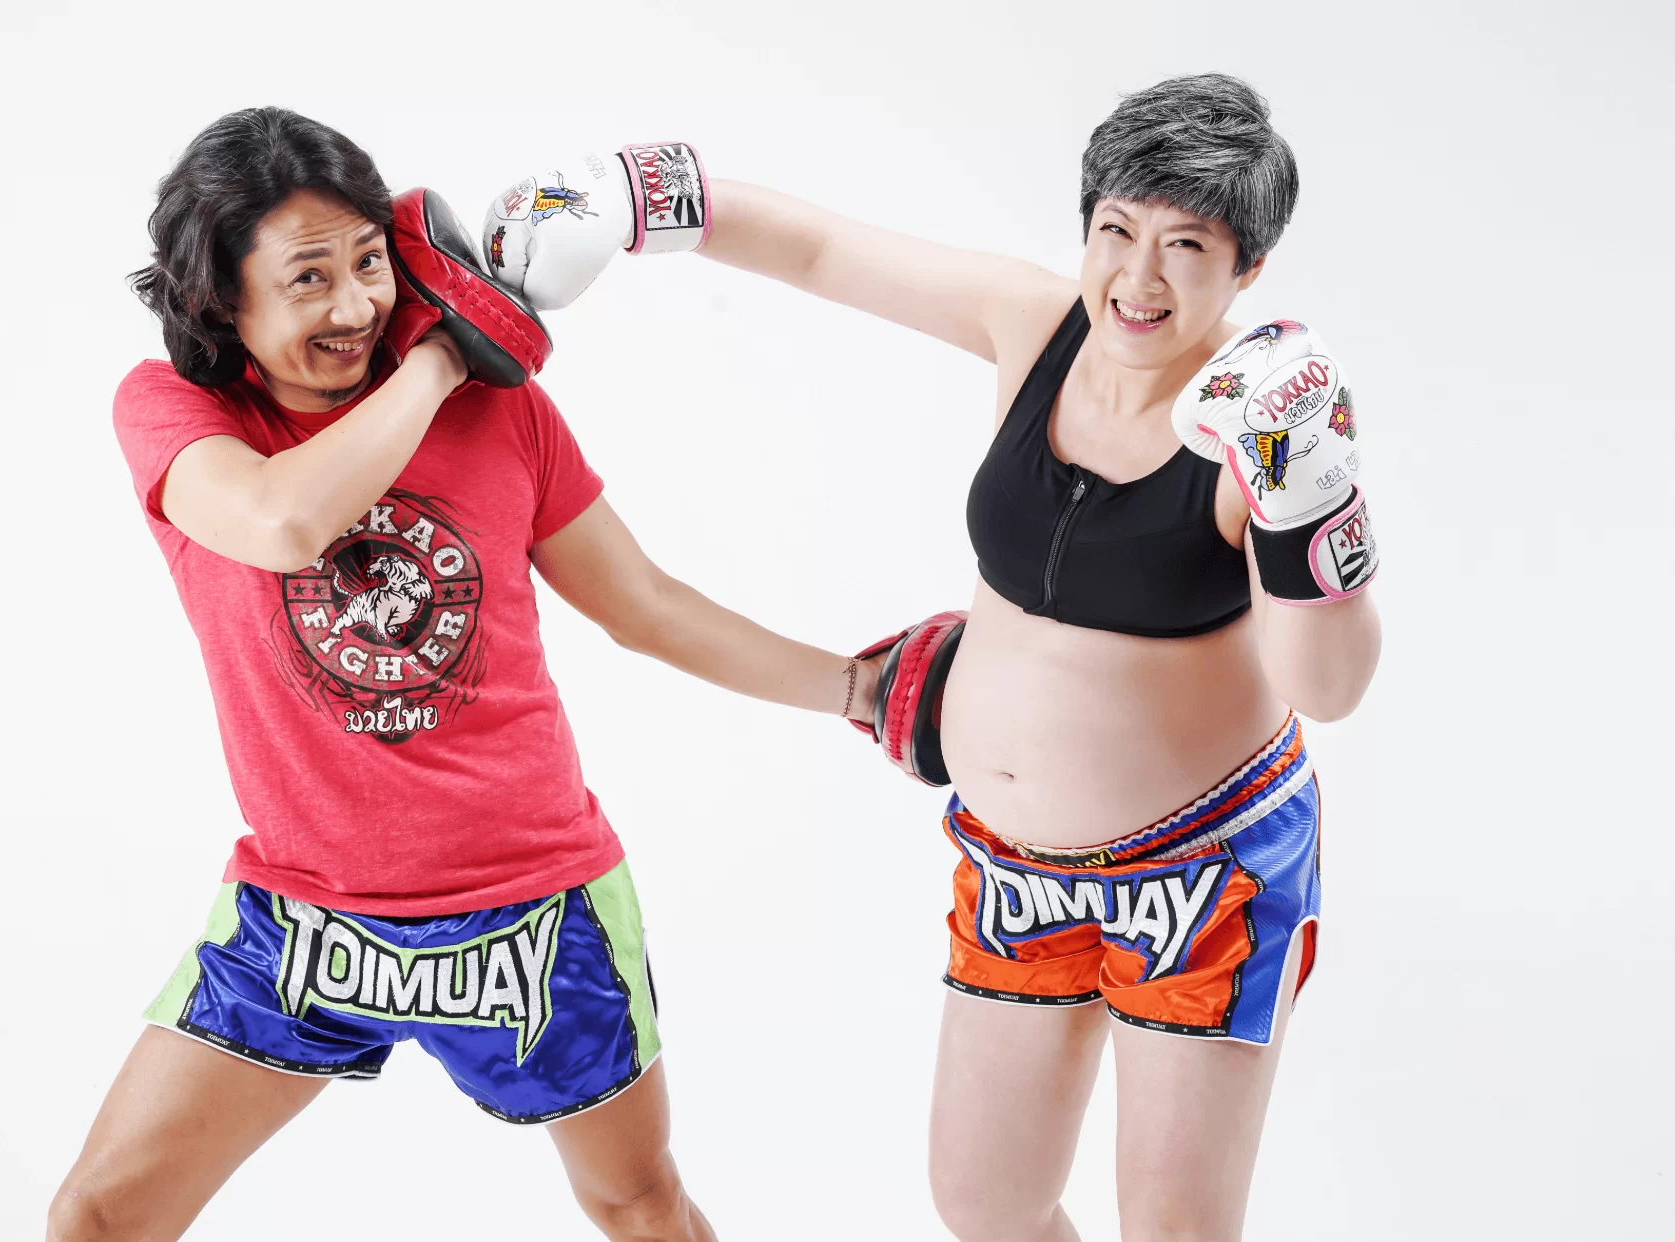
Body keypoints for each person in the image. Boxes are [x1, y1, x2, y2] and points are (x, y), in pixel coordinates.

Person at [487, 75, 1382, 1241]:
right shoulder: (1037, 324)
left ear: (1247, 269)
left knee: (1174, 1229)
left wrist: (1308, 498)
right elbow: (822, 251)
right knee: (988, 1201)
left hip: (1204, 875)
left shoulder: (1257, 424)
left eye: (1187, 247)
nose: (1140, 277)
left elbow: (1328, 689)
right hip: (1015, 866)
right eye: (1118, 231)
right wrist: (635, 196)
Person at [49, 107, 879, 1242]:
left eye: (370, 261)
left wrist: (858, 690)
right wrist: (445, 353)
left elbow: (645, 606)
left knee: (636, 1201)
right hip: (304, 915)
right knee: (99, 1215)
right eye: (308, 278)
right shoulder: (179, 414)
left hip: (535, 912)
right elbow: (282, 522)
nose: (355, 307)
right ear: (218, 300)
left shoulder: (502, 410)